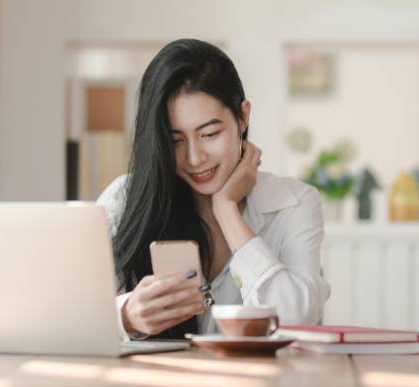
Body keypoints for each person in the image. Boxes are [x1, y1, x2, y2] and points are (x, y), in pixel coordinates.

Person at [97, 38, 330, 340]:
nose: (195, 158)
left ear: (243, 117)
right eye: (176, 140)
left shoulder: (294, 203)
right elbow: (69, 313)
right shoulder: (124, 199)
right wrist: (126, 316)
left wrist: (227, 210)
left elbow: (297, 321)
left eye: (209, 134)